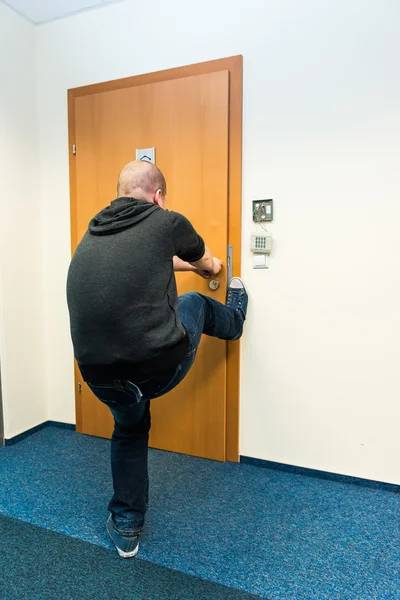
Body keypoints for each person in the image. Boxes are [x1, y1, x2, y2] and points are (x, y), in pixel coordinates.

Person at [66, 160, 248, 558]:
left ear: (119, 193)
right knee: (194, 301)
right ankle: (234, 321)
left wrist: (179, 264)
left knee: (130, 429)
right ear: (158, 195)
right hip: (156, 369)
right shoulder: (166, 221)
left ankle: (127, 526)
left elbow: (151, 262)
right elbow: (206, 262)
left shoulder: (93, 234)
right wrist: (212, 267)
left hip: (98, 376)